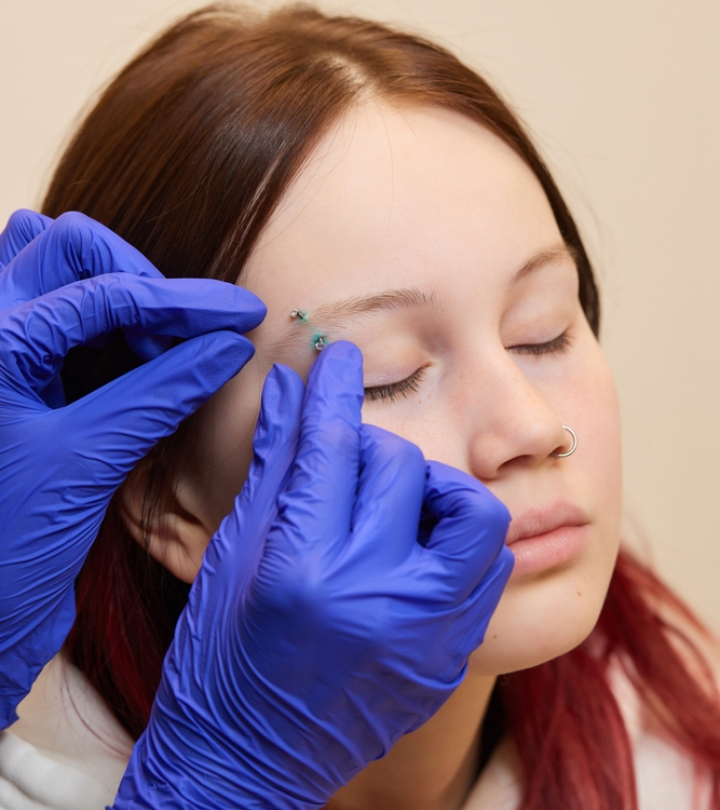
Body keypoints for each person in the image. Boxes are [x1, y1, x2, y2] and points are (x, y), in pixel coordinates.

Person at [3, 4, 720, 808]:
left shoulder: (682, 767)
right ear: (169, 501)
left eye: (543, 333)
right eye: (385, 377)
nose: (530, 427)